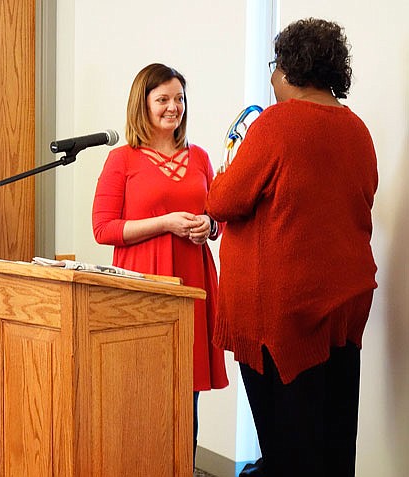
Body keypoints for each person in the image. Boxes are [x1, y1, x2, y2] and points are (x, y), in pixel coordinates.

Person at [206, 18, 377, 477]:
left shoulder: (277, 125)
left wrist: (227, 169)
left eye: (273, 66)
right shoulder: (357, 130)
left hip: (282, 320)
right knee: (334, 443)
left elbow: (223, 200)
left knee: (288, 453)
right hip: (341, 310)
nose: (271, 76)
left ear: (289, 69)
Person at [92, 63, 229, 458]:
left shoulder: (200, 157)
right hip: (142, 285)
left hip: (192, 282)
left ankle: (182, 464)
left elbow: (217, 215)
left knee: (186, 391)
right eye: (163, 99)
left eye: (179, 99)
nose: (174, 107)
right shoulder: (123, 160)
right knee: (142, 388)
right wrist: (165, 222)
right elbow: (103, 229)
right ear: (143, 104)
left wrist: (210, 225)